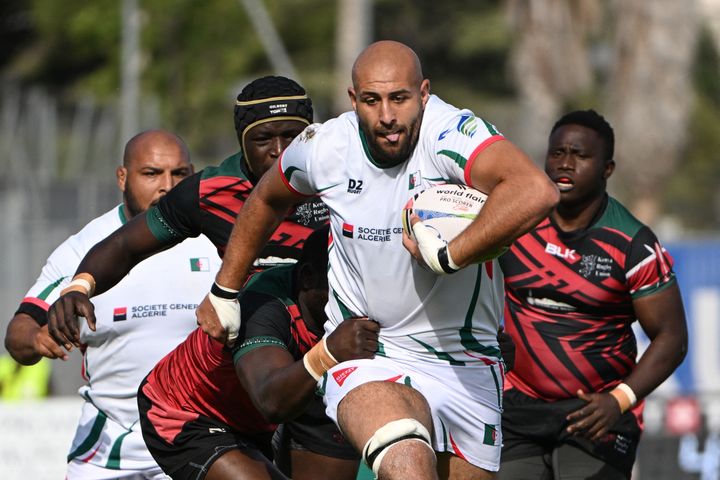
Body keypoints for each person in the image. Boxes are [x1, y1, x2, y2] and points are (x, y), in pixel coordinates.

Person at [196, 40, 559, 480]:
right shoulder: (327, 146)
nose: (387, 116)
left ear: (424, 94)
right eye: (372, 100)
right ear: (354, 100)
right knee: (406, 463)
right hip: (374, 354)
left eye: (400, 98)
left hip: (467, 363)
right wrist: (225, 289)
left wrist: (450, 254)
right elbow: (265, 198)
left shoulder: (451, 134)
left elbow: (535, 191)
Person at [46, 76, 328, 351]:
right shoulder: (209, 191)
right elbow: (126, 245)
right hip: (252, 346)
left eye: (292, 136)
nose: (279, 151)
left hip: (337, 341)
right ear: (242, 141)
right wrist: (79, 288)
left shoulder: (340, 181)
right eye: (263, 139)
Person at [4, 129, 220, 479]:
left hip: (199, 447)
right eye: (151, 174)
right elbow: (19, 330)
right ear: (123, 177)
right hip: (108, 455)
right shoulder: (85, 248)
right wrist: (35, 340)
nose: (167, 186)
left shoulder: (218, 240)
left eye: (179, 174)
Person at [497, 110, 688, 480]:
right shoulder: (514, 222)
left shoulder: (632, 243)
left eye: (580, 156)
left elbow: (673, 338)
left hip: (597, 413)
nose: (565, 164)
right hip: (516, 407)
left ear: (607, 169)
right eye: (557, 153)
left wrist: (619, 401)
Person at [137, 225, 378, 480]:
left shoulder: (343, 308)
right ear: (308, 278)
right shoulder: (261, 307)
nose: (356, 299)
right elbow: (271, 401)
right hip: (186, 414)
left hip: (260, 416)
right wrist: (329, 351)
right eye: (345, 286)